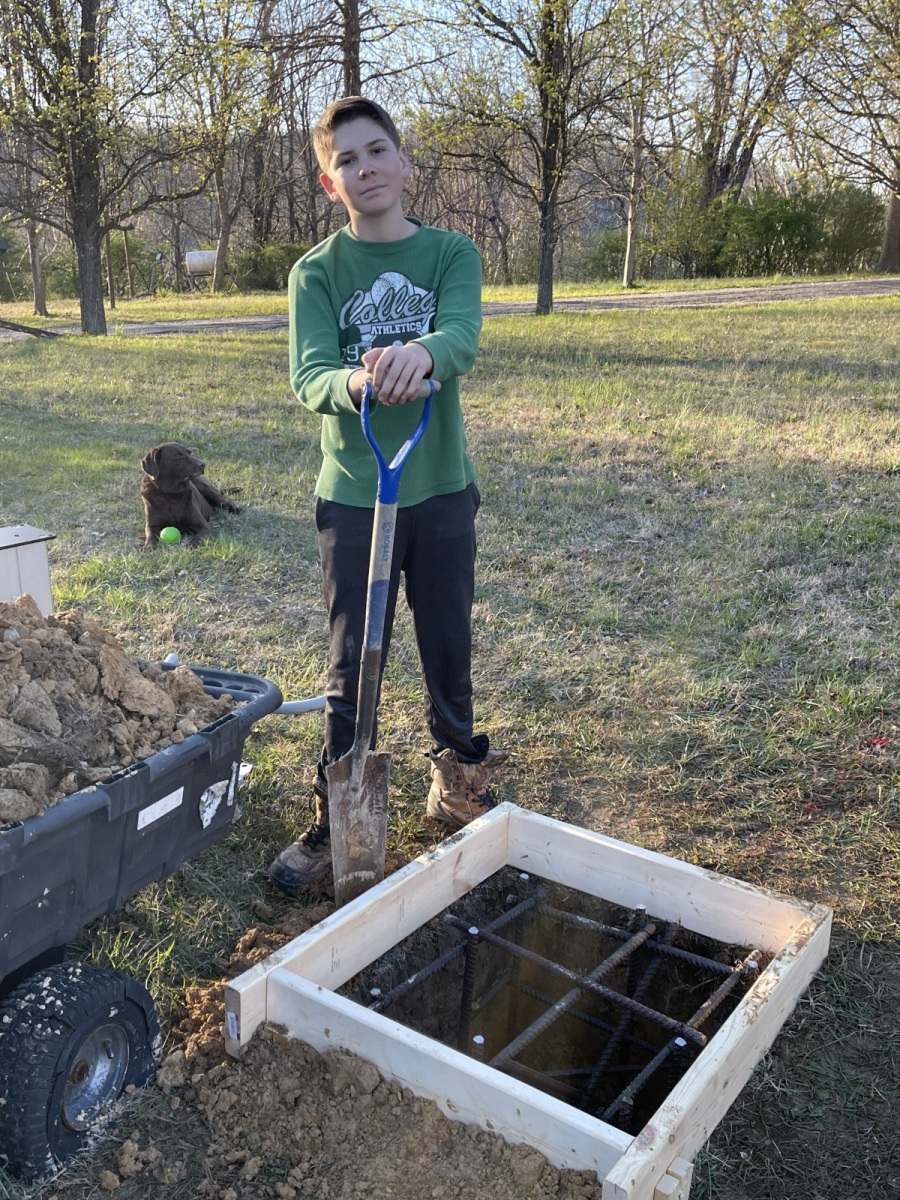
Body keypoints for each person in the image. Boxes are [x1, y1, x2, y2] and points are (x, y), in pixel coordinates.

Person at [269, 96, 509, 894]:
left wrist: (420, 354)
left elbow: (462, 337)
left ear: (405, 162)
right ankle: (341, 810)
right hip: (352, 495)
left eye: (378, 151)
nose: (365, 168)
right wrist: (355, 379)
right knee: (352, 661)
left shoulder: (450, 253)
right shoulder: (317, 273)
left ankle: (461, 781)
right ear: (329, 182)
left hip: (439, 489)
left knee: (447, 643)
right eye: (346, 160)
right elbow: (309, 376)